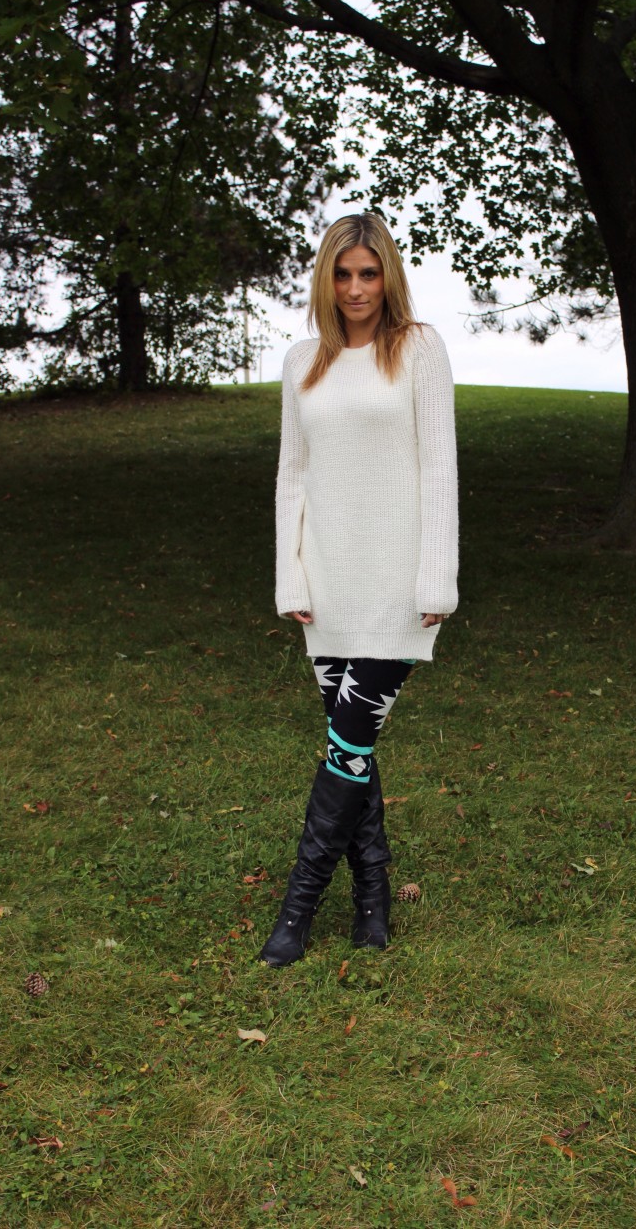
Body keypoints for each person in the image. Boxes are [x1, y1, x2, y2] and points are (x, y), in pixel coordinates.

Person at [259, 212, 458, 968]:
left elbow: (439, 468)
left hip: (396, 583)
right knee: (354, 749)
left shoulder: (418, 348)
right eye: (342, 274)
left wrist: (436, 576)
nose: (355, 288)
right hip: (329, 579)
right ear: (327, 279)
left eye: (368, 273)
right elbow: (293, 475)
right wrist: (292, 574)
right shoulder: (301, 361)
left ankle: (298, 908)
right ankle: (373, 898)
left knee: (348, 743)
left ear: (388, 277)